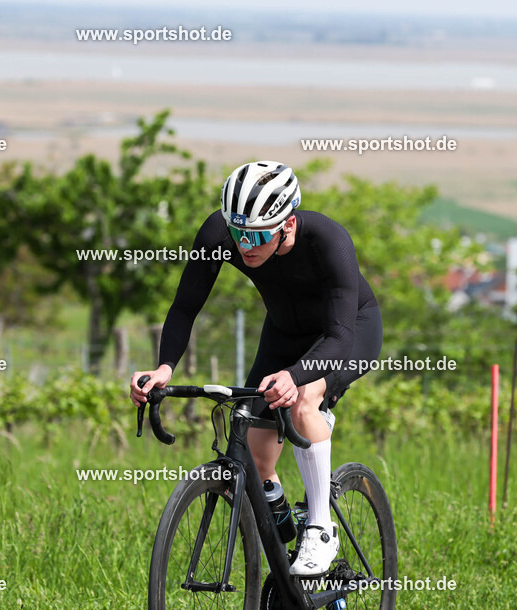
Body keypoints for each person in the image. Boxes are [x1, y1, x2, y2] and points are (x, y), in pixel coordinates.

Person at [129, 160, 382, 580]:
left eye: (259, 233)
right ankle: (283, 577)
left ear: (288, 225)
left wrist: (297, 376)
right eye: (239, 232)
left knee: (303, 402)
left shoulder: (329, 239)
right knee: (257, 456)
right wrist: (163, 367)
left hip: (347, 332)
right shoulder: (220, 233)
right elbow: (185, 306)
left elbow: (337, 337)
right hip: (284, 332)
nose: (247, 244)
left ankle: (320, 529)